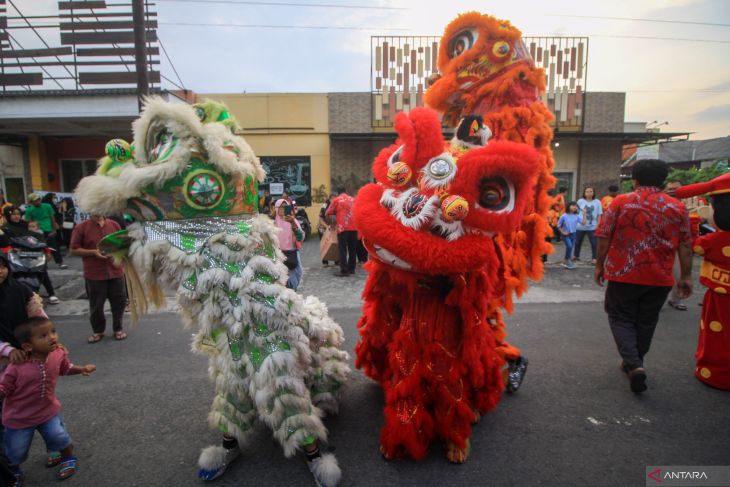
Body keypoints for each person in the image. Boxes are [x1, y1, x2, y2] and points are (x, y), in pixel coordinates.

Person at [594, 159, 692, 393]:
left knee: (620, 317)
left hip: (623, 273)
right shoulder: (677, 207)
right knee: (646, 321)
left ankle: (634, 364)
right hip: (659, 276)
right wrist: (686, 275)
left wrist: (600, 264)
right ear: (664, 181)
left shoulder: (621, 203)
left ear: (634, 179)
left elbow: (604, 235)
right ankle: (633, 361)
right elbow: (685, 244)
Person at [0, 317, 96, 484]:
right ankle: (14, 471)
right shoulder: (16, 367)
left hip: (47, 412)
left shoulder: (57, 354)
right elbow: (4, 388)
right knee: (16, 451)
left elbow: (65, 368)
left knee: (59, 437)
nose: (52, 337)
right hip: (18, 419)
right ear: (28, 346)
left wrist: (82, 369)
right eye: (43, 336)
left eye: (53, 332)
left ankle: (68, 458)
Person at [675, 172, 730, 390]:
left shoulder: (714, 240)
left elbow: (690, 245)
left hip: (720, 297)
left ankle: (716, 373)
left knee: (717, 334)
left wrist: (694, 219)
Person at [70, 214, 127, 343]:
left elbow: (122, 243)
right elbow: (74, 249)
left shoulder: (114, 224)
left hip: (115, 271)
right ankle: (98, 331)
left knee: (119, 303)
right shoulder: (81, 227)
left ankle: (118, 329)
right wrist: (93, 252)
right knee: (96, 305)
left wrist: (120, 253)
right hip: (94, 273)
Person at [2, 207, 60, 305]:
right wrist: (12, 248)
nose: (17, 216)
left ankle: (51, 294)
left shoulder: (26, 225)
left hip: (33, 253)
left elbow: (37, 237)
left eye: (18, 214)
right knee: (12, 274)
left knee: (42, 271)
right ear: (8, 215)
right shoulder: (5, 228)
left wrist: (45, 250)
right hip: (14, 255)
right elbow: (3, 243)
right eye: (13, 214)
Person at [23, 194, 67, 269]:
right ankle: (42, 263)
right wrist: (32, 231)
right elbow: (29, 222)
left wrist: (54, 229)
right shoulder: (29, 210)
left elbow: (52, 218)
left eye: (38, 199)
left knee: (53, 246)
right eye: (35, 201)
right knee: (39, 248)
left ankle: (60, 262)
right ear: (31, 202)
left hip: (48, 229)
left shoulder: (47, 206)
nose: (37, 201)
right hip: (37, 231)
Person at [326, 186, 357, 276]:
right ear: (346, 191)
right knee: (352, 249)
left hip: (342, 228)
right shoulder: (353, 199)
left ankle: (344, 270)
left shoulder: (336, 200)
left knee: (342, 249)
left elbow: (328, 213)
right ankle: (352, 269)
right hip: (353, 227)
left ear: (338, 192)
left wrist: (331, 223)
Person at [274, 199, 304, 290]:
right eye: (281, 207)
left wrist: (292, 223)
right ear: (276, 209)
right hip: (278, 256)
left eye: (285, 207)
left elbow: (300, 237)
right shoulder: (272, 224)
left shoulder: (293, 221)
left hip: (292, 253)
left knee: (295, 276)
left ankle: (292, 293)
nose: (283, 209)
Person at [575, 186, 602, 264]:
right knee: (577, 242)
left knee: (594, 243)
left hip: (592, 226)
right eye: (587, 191)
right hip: (580, 226)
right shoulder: (580, 201)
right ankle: (576, 256)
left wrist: (598, 225)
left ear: (593, 193)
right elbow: (575, 212)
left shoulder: (597, 202)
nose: (589, 193)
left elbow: (599, 215)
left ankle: (594, 258)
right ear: (584, 193)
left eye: (591, 191)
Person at [557, 202, 583, 270]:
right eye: (573, 206)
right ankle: (568, 261)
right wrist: (563, 232)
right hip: (566, 234)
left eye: (576, 206)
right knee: (569, 246)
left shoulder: (576, 216)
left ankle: (565, 260)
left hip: (573, 234)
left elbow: (583, 222)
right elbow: (558, 226)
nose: (575, 207)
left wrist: (585, 213)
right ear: (568, 206)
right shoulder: (564, 216)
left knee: (570, 248)